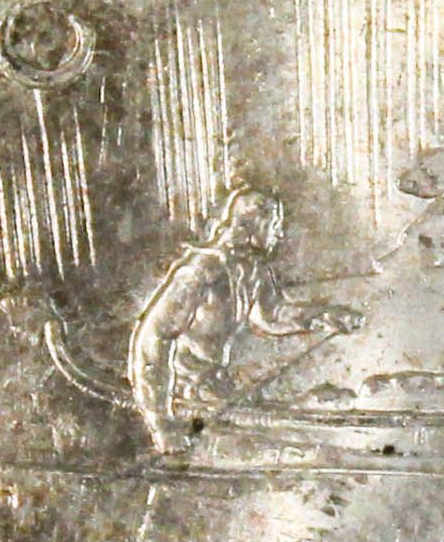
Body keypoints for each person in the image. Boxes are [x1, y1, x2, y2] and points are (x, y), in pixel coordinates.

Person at [128, 188, 361, 452]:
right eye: (274, 225)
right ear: (253, 225)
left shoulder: (252, 270)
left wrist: (323, 316)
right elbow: (153, 337)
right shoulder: (200, 272)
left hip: (216, 386)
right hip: (183, 394)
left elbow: (270, 315)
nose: (279, 235)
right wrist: (160, 422)